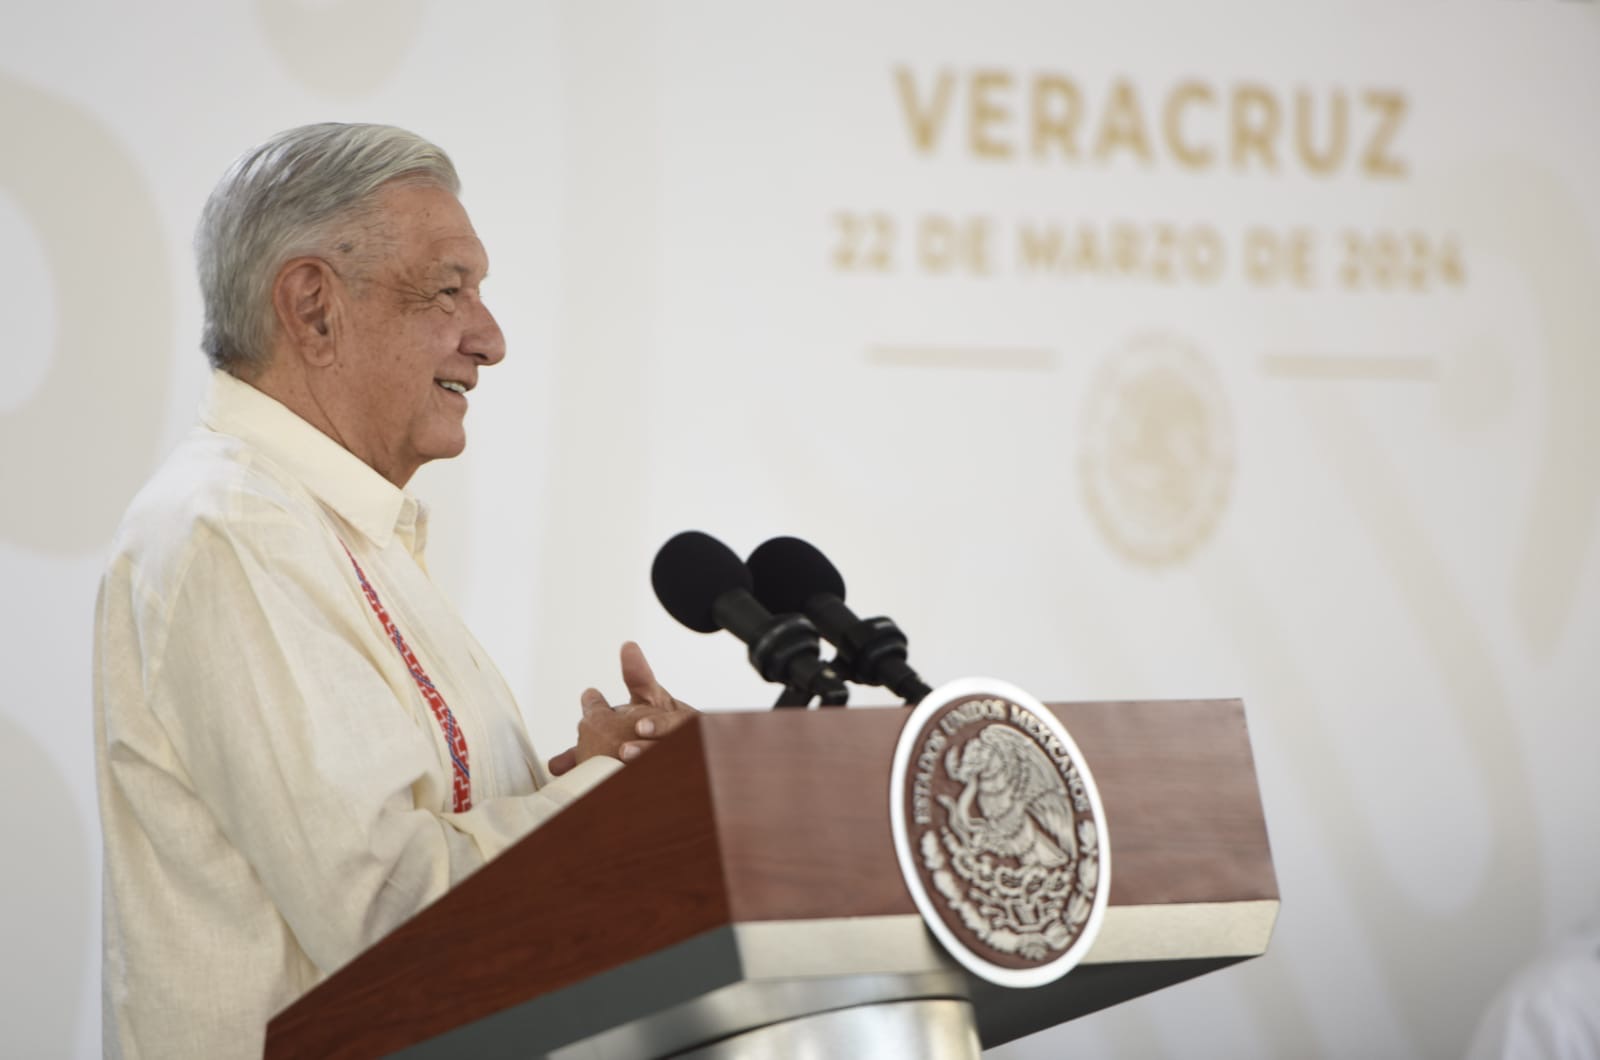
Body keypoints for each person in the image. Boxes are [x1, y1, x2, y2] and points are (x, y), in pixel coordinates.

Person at [92, 123, 695, 1060]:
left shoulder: (333, 527)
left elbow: (421, 850)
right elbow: (387, 916)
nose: (489, 339)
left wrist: (578, 786)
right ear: (313, 308)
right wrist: (617, 800)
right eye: (448, 290)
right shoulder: (231, 528)